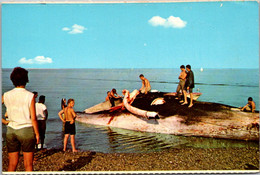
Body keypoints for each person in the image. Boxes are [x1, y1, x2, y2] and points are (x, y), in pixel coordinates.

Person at [2, 67, 39, 171]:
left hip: (11, 130)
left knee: (12, 164)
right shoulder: (30, 95)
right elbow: (33, 118)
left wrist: (4, 121)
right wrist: (37, 133)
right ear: (26, 79)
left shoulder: (6, 95)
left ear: (12, 79)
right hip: (26, 130)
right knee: (28, 165)